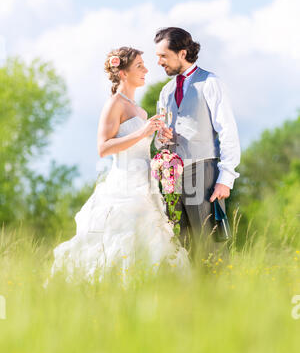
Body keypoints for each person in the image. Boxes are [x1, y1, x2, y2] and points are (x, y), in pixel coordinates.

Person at [49, 46, 191, 288]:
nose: (146, 69)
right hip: (124, 186)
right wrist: (143, 131)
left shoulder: (140, 110)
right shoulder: (114, 103)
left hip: (147, 186)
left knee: (153, 243)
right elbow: (103, 148)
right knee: (120, 241)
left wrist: (159, 137)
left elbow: (140, 146)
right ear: (123, 73)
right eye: (139, 66)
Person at [154, 27, 241, 260]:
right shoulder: (166, 92)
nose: (160, 62)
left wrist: (226, 178)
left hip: (204, 172)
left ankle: (218, 294)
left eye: (164, 56)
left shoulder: (211, 82)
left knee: (209, 244)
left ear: (182, 53)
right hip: (173, 177)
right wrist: (161, 139)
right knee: (179, 245)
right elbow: (159, 138)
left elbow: (228, 131)